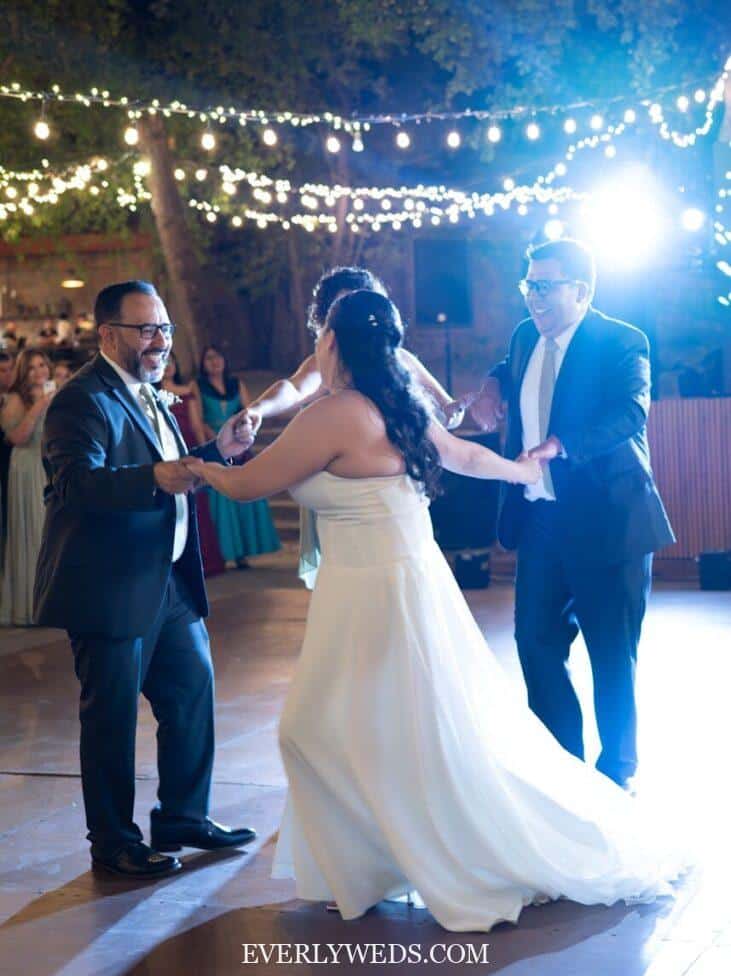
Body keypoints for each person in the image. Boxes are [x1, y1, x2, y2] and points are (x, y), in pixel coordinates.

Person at [184, 290, 684, 933]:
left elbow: (251, 483)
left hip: (374, 593)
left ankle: (378, 866)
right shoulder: (396, 403)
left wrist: (194, 468)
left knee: (326, 730)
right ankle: (369, 867)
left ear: (330, 343)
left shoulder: (335, 415)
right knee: (384, 730)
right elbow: (466, 454)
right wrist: (518, 469)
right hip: (395, 585)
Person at [33, 280, 258, 879]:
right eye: (147, 330)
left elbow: (169, 467)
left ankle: (183, 815)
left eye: (164, 329)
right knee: (110, 718)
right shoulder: (82, 401)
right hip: (110, 587)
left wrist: (218, 448)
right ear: (108, 335)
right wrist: (153, 478)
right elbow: (76, 484)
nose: (160, 340)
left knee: (191, 690)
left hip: (168, 583)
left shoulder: (153, 395)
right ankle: (112, 839)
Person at [468, 239, 674, 791]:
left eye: (545, 286)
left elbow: (628, 414)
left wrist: (559, 445)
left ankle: (616, 775)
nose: (533, 297)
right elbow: (508, 368)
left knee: (612, 655)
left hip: (610, 522)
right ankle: (563, 770)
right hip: (540, 522)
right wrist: (491, 386)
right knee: (535, 644)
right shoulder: (522, 335)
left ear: (580, 291)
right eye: (528, 285)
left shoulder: (621, 341)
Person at [244, 266, 466, 433]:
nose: (354, 317)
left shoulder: (401, 360)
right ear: (327, 317)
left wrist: (455, 412)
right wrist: (257, 409)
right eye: (343, 308)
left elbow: (449, 411)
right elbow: (293, 390)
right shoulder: (327, 360)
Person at [198, 344, 280, 569]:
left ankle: (243, 552)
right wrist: (216, 442)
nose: (214, 362)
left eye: (217, 357)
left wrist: (242, 431)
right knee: (221, 502)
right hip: (213, 446)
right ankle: (224, 552)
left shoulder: (236, 384)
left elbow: (247, 410)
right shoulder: (198, 386)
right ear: (202, 364)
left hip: (238, 445)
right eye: (209, 358)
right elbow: (199, 419)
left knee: (243, 496)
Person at [0, 350, 55, 626]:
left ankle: (54, 601)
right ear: (24, 371)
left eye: (42, 364)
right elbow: (17, 436)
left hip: (50, 467)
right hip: (26, 468)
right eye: (31, 367)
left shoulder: (54, 392)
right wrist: (41, 403)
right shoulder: (13, 399)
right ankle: (32, 606)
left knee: (51, 534)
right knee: (33, 530)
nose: (38, 371)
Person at [161, 353, 224, 577]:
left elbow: (197, 426)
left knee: (197, 505)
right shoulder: (150, 393)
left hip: (187, 449)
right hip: (163, 454)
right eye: (164, 361)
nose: (167, 366)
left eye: (171, 361)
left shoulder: (188, 392)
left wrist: (203, 459)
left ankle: (205, 561)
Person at [0, 352, 14, 555]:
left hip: (14, 462)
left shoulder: (18, 398)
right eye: (2, 371)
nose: (8, 375)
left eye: (11, 369)